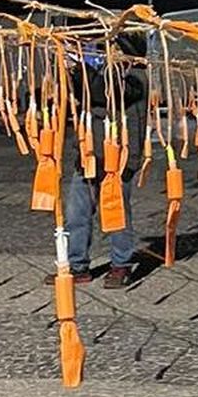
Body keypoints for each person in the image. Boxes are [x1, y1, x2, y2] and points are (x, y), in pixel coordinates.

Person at [47, 37, 147, 288]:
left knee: (116, 210)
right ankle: (77, 264)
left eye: (116, 48)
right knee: (76, 212)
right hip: (89, 153)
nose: (110, 52)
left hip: (119, 156)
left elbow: (103, 92)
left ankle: (121, 264)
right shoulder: (104, 72)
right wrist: (67, 66)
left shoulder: (135, 77)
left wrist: (79, 67)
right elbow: (83, 90)